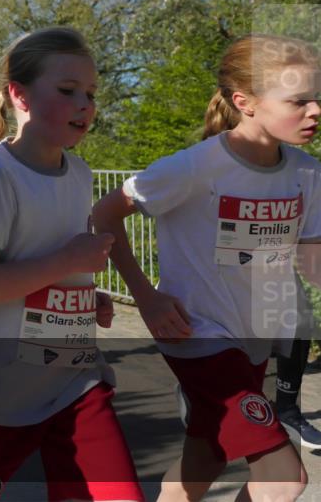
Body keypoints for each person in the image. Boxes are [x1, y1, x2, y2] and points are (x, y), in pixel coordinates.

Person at [92, 34, 320, 502]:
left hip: (254, 337)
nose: (314, 110)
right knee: (284, 477)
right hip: (197, 334)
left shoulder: (307, 171)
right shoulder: (193, 167)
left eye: (316, 98)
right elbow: (104, 215)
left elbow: (312, 261)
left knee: (206, 455)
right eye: (298, 101)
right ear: (245, 102)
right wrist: (146, 298)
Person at [0, 28, 142, 502]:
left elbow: (48, 267)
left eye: (91, 94)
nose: (84, 104)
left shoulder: (80, 173)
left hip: (73, 381)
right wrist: (68, 260)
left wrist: (85, 295)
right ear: (19, 95)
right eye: (67, 91)